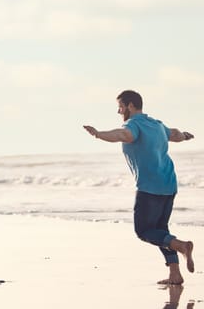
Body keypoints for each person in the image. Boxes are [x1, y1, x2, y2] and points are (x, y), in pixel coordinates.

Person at [83, 90, 195, 285]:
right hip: (169, 184)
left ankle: (182, 246)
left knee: (143, 231)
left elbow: (123, 134)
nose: (118, 111)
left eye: (120, 106)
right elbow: (175, 134)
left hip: (149, 186)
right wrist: (185, 136)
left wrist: (99, 134)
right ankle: (175, 275)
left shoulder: (133, 125)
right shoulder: (157, 124)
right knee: (161, 230)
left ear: (131, 105)